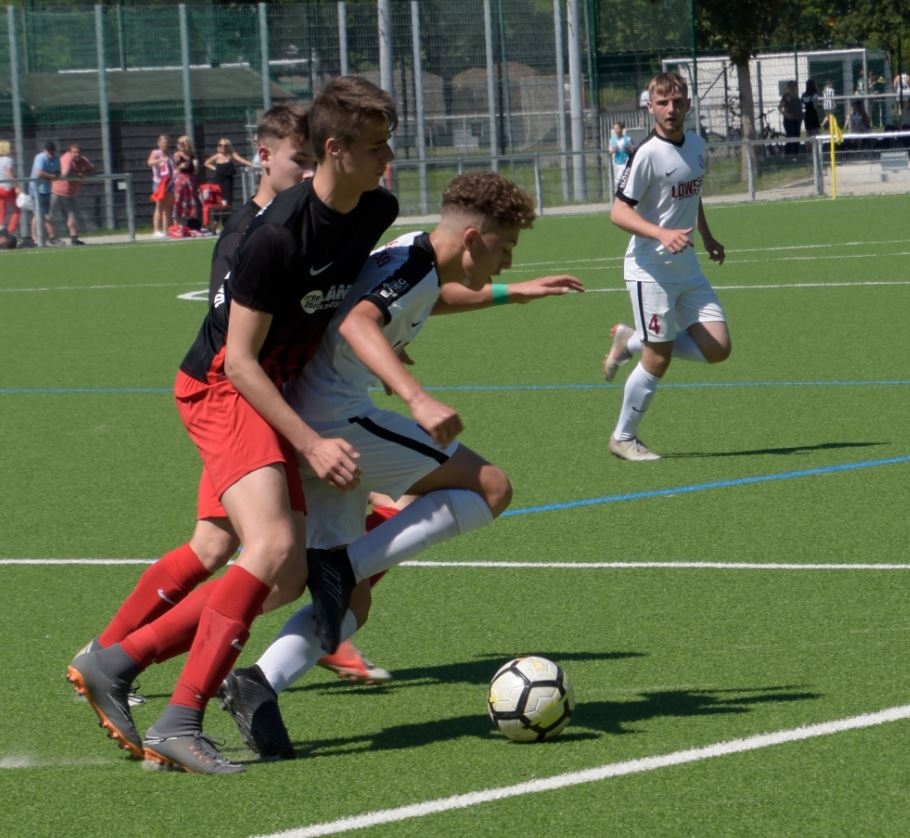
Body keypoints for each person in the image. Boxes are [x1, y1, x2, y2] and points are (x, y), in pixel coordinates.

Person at [66, 75, 400, 775]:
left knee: (280, 574)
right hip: (223, 387)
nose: (387, 158)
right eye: (375, 146)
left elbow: (340, 301)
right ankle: (179, 720)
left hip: (273, 391)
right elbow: (239, 361)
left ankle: (116, 662)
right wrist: (311, 441)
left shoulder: (377, 209)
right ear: (333, 150)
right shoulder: (274, 234)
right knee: (273, 546)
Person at [216, 172, 584, 759]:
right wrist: (416, 397)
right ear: (472, 238)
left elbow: (427, 298)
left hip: (314, 416)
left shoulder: (415, 252)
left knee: (350, 605)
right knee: (491, 488)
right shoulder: (414, 266)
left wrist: (513, 293)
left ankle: (256, 683)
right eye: (506, 248)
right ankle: (340, 565)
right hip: (334, 419)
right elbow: (359, 321)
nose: (509, 261)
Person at [602, 72, 730, 462]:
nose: (671, 109)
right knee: (658, 358)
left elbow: (693, 193)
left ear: (688, 104)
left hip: (686, 267)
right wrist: (660, 233)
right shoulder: (646, 154)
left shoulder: (696, 145)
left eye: (677, 102)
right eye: (663, 103)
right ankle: (623, 437)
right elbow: (618, 212)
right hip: (651, 271)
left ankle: (630, 340)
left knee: (718, 348)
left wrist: (708, 236)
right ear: (650, 108)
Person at [52, 142, 96, 246]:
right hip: (56, 191)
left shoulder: (82, 159)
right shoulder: (66, 159)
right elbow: (65, 174)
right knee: (47, 215)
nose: (77, 154)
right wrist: (77, 174)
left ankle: (74, 238)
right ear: (69, 152)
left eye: (79, 152)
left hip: (70, 193)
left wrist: (84, 172)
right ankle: (43, 238)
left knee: (72, 215)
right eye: (75, 152)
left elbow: (92, 169)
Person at [203, 137, 256, 208]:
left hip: (227, 181)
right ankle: (219, 214)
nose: (223, 147)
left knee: (227, 201)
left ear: (228, 146)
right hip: (218, 180)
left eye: (225, 146)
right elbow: (206, 163)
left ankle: (226, 213)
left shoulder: (231, 155)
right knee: (218, 200)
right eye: (220, 145)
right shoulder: (217, 156)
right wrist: (215, 168)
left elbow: (241, 160)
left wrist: (253, 165)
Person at [29, 141, 60, 246]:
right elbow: (39, 173)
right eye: (49, 151)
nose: (50, 154)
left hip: (47, 189)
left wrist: (52, 176)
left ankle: (37, 237)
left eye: (52, 151)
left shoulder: (56, 158)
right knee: (40, 214)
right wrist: (52, 176)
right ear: (45, 150)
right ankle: (50, 236)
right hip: (36, 189)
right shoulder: (40, 158)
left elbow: (58, 172)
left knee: (41, 214)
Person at [171, 135, 200, 230]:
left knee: (191, 200)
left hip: (190, 179)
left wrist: (195, 166)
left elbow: (195, 171)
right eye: (179, 144)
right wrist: (181, 166)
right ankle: (178, 224)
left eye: (182, 144)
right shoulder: (177, 154)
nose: (180, 145)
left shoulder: (192, 155)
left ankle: (191, 223)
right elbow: (176, 167)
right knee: (179, 200)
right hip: (180, 178)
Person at [147, 134, 173, 238]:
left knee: (167, 207)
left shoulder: (170, 154)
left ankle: (166, 230)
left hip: (169, 183)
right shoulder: (156, 153)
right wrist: (160, 160)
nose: (165, 145)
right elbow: (150, 162)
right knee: (159, 206)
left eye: (166, 143)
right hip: (159, 183)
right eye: (163, 143)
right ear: (158, 143)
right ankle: (156, 230)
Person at [0, 139, 22, 241]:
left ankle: (1, 228)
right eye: (10, 147)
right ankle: (10, 230)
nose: (12, 149)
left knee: (2, 210)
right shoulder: (9, 160)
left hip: (0, 188)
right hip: (8, 188)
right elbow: (9, 173)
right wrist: (17, 186)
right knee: (17, 210)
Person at [778, 81, 804, 154]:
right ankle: (788, 154)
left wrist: (801, 114)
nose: (793, 88)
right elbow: (780, 107)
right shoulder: (786, 96)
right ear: (788, 87)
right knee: (790, 137)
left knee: (797, 137)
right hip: (789, 121)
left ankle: (796, 154)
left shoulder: (796, 96)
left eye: (794, 86)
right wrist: (786, 115)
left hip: (797, 120)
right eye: (791, 86)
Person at [608, 121, 634, 188]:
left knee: (619, 181)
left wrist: (628, 148)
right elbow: (610, 151)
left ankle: (621, 191)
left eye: (617, 128)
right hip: (617, 162)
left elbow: (633, 150)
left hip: (625, 162)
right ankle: (619, 192)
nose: (616, 130)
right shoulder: (612, 140)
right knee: (619, 182)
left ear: (622, 129)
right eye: (614, 129)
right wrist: (613, 150)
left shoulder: (627, 139)